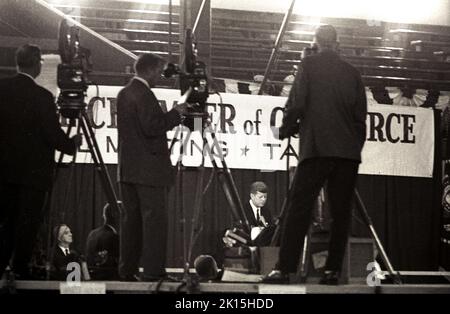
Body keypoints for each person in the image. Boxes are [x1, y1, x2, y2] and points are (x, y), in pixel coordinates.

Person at [263, 24, 367, 285]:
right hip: (347, 154)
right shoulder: (353, 73)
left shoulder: (308, 65)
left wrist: (285, 129)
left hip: (317, 149)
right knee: (341, 213)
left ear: (316, 41)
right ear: (337, 42)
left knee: (299, 209)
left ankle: (284, 269)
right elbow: (360, 119)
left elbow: (297, 103)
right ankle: (332, 271)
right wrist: (353, 148)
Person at [0, 44, 81, 280]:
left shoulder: (1, 89)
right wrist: (72, 144)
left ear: (18, 63)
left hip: (3, 173)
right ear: (37, 64)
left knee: (4, 222)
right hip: (32, 176)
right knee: (27, 223)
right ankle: (20, 268)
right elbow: (52, 134)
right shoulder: (42, 97)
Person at [116, 53, 187, 281]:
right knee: (154, 223)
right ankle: (153, 271)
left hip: (128, 170)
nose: (160, 76)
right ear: (149, 70)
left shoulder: (124, 93)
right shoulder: (144, 94)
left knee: (132, 223)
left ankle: (127, 270)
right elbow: (152, 126)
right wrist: (177, 113)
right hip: (150, 172)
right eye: (159, 71)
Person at [223, 181, 274, 247]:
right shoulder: (241, 211)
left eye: (265, 197)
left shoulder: (267, 212)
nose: (263, 199)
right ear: (252, 196)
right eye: (260, 197)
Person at [85, 203, 120, 280]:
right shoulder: (113, 237)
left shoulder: (92, 233)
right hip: (108, 280)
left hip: (92, 278)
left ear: (104, 216)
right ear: (118, 217)